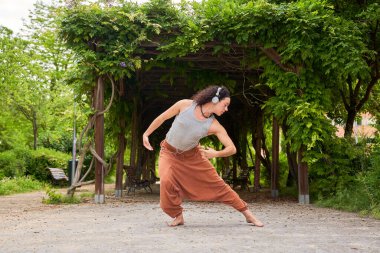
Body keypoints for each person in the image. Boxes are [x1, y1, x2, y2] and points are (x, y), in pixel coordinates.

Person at [142, 85, 264, 227]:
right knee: (167, 182)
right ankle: (178, 215)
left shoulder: (213, 125)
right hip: (168, 153)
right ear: (214, 99)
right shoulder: (185, 105)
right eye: (225, 105)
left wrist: (215, 153)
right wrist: (146, 134)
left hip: (193, 156)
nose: (226, 109)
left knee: (218, 184)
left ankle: (248, 214)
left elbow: (232, 149)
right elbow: (163, 117)